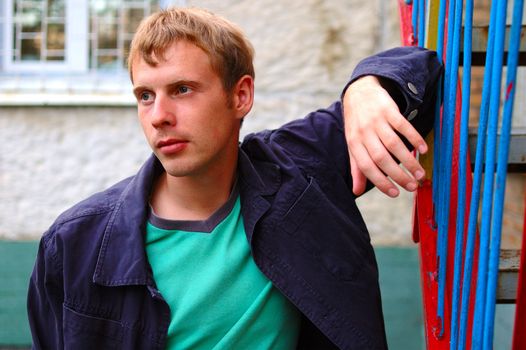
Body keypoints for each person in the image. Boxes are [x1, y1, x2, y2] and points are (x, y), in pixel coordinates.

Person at [27, 7, 441, 350]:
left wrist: (365, 88)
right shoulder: (75, 243)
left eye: (183, 89)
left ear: (240, 96)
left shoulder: (300, 171)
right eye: (145, 95)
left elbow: (425, 73)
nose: (159, 117)